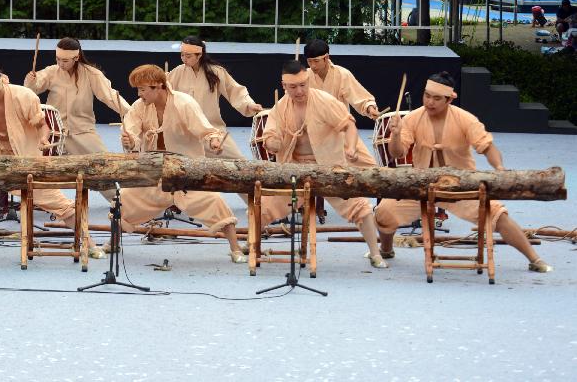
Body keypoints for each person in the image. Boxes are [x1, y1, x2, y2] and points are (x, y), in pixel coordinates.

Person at [375, 71, 553, 273]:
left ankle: (534, 259)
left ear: (450, 99)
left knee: (499, 216)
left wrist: (500, 169)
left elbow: (487, 147)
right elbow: (396, 153)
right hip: (423, 186)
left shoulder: (465, 119)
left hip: (462, 187)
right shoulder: (414, 118)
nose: (430, 102)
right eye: (427, 96)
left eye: (436, 98)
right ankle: (386, 249)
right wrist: (396, 135)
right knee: (384, 211)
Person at [0, 61, 104, 258]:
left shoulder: (23, 96)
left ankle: (91, 244)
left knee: (61, 205)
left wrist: (44, 137)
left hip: (25, 161)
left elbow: (41, 124)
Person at [261, 59, 388, 269]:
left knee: (361, 208)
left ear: (308, 80)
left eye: (303, 84)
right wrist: (273, 143)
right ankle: (251, 243)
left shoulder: (324, 100)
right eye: (293, 87)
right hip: (296, 169)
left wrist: (351, 146)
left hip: (330, 166)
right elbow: (270, 137)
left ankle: (375, 252)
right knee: (264, 207)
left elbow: (348, 125)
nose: (299, 91)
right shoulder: (279, 108)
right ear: (284, 86)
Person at [119, 64, 247, 263]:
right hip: (156, 171)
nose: (139, 93)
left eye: (142, 89)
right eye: (138, 89)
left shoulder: (184, 103)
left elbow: (206, 130)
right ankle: (112, 241)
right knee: (124, 199)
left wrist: (213, 140)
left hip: (186, 171)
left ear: (157, 86)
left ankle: (235, 247)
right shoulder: (138, 107)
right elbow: (132, 132)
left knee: (214, 201)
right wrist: (130, 141)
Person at [24, 37, 130, 201]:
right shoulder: (51, 72)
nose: (60, 63)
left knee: (102, 166)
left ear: (76, 57)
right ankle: (38, 201)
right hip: (53, 131)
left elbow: (109, 96)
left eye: (65, 60)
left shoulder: (91, 74)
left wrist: (131, 113)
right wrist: (31, 82)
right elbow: (31, 92)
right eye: (58, 59)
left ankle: (121, 201)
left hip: (82, 131)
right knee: (39, 169)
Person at [167, 36, 263, 159]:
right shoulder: (177, 72)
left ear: (199, 55)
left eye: (188, 56)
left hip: (212, 129)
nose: (184, 59)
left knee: (238, 161)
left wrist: (249, 104)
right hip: (185, 131)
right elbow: (164, 92)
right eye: (182, 55)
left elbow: (234, 90)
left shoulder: (216, 72)